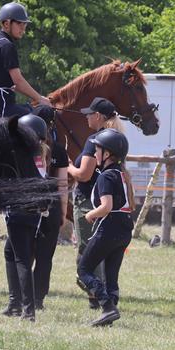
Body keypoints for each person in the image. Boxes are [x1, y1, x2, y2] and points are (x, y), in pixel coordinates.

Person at [66, 97, 122, 308]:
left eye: (89, 114)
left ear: (98, 116)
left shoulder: (95, 141)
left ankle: (97, 295)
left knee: (88, 249)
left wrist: (69, 166)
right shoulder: (116, 138)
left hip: (87, 201)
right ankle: (103, 294)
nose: (86, 117)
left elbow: (84, 174)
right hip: (106, 199)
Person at [76, 128, 133, 326]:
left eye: (97, 150)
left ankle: (107, 307)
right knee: (111, 275)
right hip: (125, 229)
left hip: (109, 229)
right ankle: (111, 311)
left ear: (107, 153)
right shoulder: (122, 175)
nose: (94, 153)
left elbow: (106, 206)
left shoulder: (105, 176)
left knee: (84, 269)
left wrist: (90, 214)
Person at [1, 113, 52, 321]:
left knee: (21, 258)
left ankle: (27, 310)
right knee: (10, 252)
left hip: (19, 210)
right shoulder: (40, 154)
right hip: (32, 212)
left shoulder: (20, 156)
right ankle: (15, 303)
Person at [0, 2, 50, 119]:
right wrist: (40, 99)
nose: (23, 28)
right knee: (36, 119)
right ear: (6, 24)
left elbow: (7, 81)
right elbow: (18, 82)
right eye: (19, 23)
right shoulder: (7, 45)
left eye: (25, 24)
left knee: (28, 109)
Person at [31, 105, 69, 310]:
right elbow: (62, 184)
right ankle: (38, 298)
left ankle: (22, 294)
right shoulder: (60, 150)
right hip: (51, 206)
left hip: (29, 204)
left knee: (23, 253)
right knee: (45, 256)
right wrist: (63, 212)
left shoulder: (26, 148)